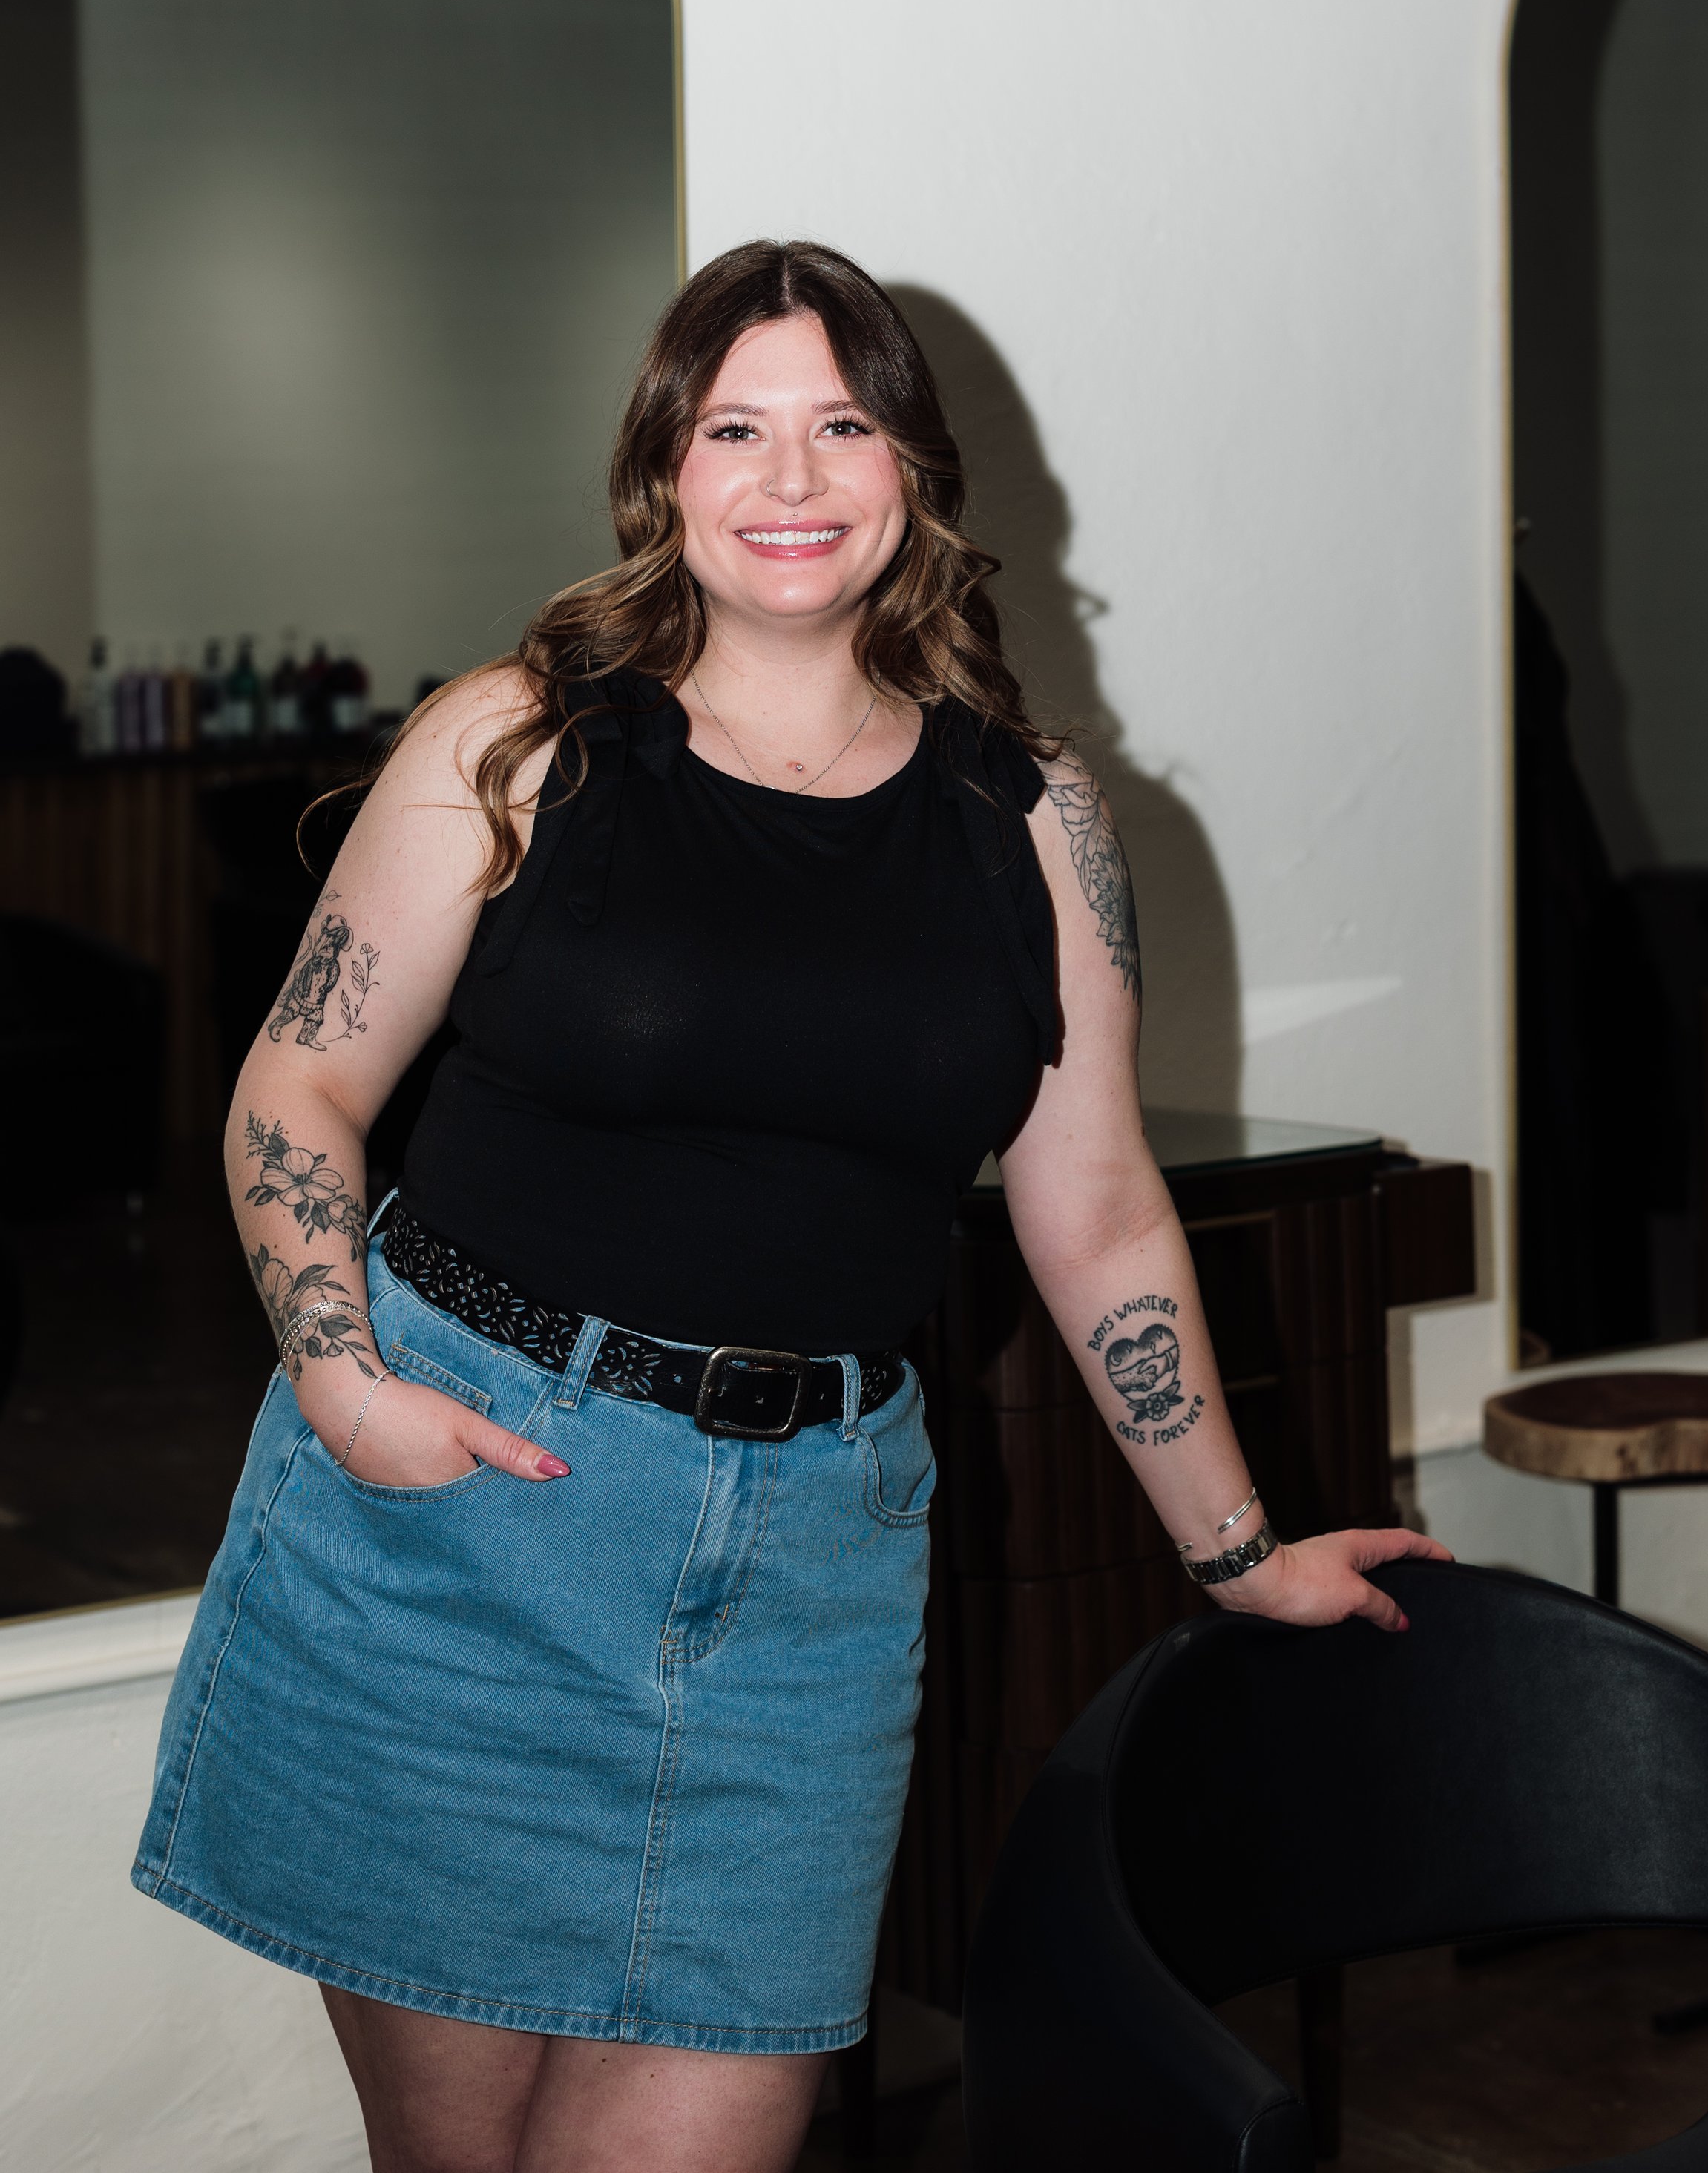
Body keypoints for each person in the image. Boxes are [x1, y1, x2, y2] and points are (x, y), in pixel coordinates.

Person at [134, 240, 1448, 2173]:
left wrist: (1235, 1551)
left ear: (909, 469)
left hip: (812, 1564)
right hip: (469, 1510)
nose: (791, 476)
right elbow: (298, 1084)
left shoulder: (1032, 820)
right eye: (736, 427)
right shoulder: (518, 741)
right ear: (666, 470)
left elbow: (1092, 1212)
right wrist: (339, 1379)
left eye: (840, 424)